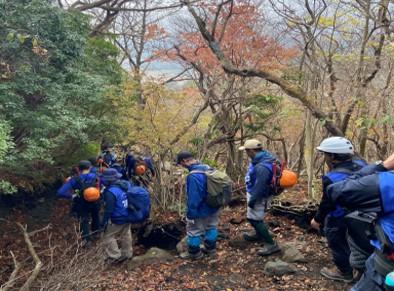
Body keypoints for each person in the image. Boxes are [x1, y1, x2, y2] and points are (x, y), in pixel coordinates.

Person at [326, 153, 394, 291]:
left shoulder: (388, 184)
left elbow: (337, 191)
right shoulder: (360, 164)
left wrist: (382, 166)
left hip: (385, 270)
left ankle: (344, 272)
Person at [310, 137, 367, 282]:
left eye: (326, 154)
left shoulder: (331, 177)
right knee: (359, 243)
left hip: (339, 217)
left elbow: (326, 203)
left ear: (333, 156)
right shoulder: (363, 165)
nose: (325, 157)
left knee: (337, 243)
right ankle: (361, 270)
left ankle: (345, 273)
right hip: (364, 215)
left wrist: (317, 219)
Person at [239, 139, 280, 256]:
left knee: (254, 219)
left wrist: (252, 200)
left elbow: (260, 186)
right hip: (257, 193)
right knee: (256, 217)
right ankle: (258, 234)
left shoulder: (262, 166)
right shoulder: (264, 157)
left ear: (251, 151)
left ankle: (271, 244)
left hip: (259, 196)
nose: (246, 153)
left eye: (247, 151)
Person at [176, 151, 221, 260]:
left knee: (193, 231)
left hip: (201, 209)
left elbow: (194, 198)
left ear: (183, 162)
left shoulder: (193, 176)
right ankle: (211, 250)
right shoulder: (208, 168)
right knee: (211, 226)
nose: (182, 166)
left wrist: (191, 214)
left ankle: (194, 253)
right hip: (214, 205)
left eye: (181, 164)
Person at [57, 160, 101, 247]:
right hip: (95, 201)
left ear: (78, 168)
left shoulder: (74, 179)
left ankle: (86, 241)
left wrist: (71, 196)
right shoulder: (96, 176)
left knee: (84, 221)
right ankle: (96, 233)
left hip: (81, 203)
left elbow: (60, 192)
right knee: (95, 216)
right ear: (90, 167)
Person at [100, 168, 134, 263]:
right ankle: (127, 254)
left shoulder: (111, 192)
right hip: (128, 215)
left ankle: (114, 256)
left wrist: (103, 222)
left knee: (108, 236)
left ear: (109, 180)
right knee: (126, 234)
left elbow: (109, 209)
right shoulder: (125, 186)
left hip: (117, 218)